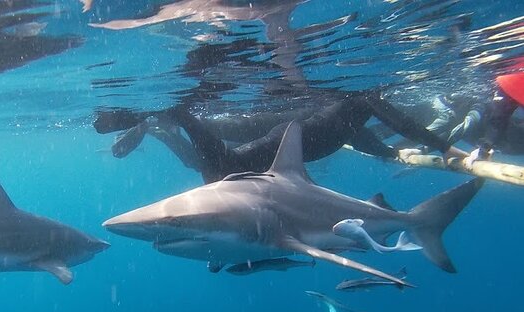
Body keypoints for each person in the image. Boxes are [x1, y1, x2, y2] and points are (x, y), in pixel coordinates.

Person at [97, 91, 467, 183]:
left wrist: (386, 151)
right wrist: (444, 146)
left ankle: (169, 118)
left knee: (216, 166)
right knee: (221, 165)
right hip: (274, 148)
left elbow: (359, 134)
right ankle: (173, 115)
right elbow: (399, 120)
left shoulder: (347, 114)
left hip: (275, 147)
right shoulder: (360, 102)